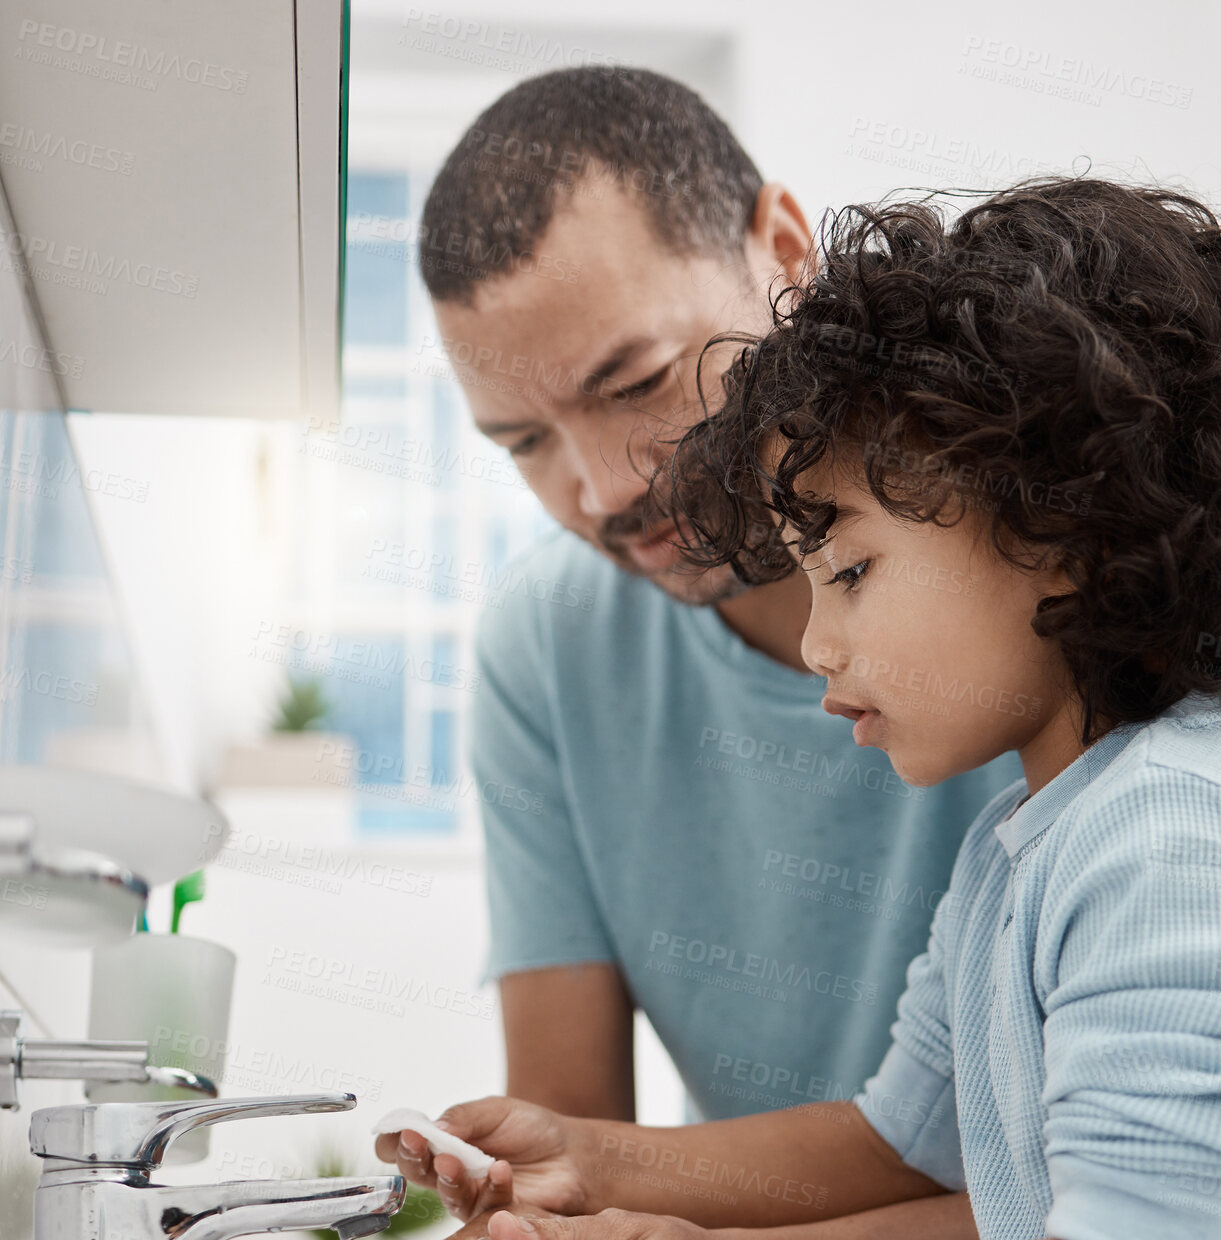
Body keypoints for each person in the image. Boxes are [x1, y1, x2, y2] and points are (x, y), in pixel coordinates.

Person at [358, 176, 1221, 1240]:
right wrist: (619, 1188)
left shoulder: (1177, 836)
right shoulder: (1018, 847)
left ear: (1064, 531)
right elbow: (892, 1151)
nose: (816, 646)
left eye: (846, 573)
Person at [379, 64, 1021, 1177]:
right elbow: (570, 1154)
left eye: (635, 384)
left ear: (780, 249)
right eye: (523, 442)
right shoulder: (550, 642)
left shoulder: (1028, 564)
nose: (600, 491)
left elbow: (1107, 1225)